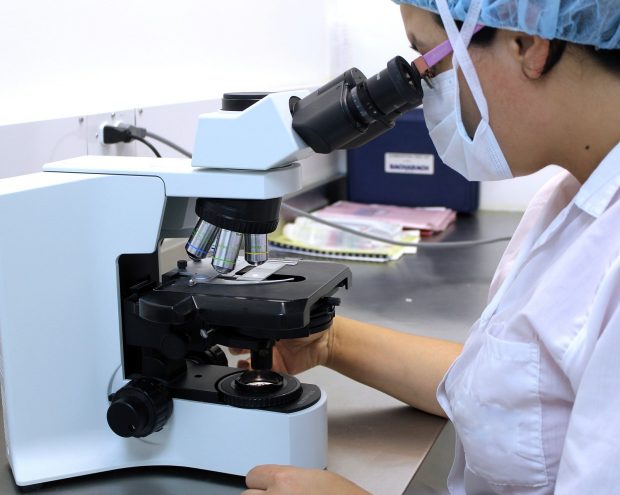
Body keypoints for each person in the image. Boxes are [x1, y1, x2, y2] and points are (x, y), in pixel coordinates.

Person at [241, 0, 620, 493]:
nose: (424, 89)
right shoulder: (568, 199)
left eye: (428, 59)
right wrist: (327, 342)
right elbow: (517, 389)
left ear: (527, 44)